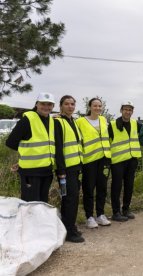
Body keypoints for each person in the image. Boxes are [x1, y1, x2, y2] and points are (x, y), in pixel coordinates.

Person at [6, 92, 56, 203]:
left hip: (47, 171)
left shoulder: (51, 120)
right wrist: (24, 157)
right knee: (30, 204)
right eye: (43, 103)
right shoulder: (27, 119)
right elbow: (10, 142)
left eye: (49, 104)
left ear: (53, 106)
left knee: (42, 203)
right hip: (30, 172)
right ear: (36, 104)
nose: (46, 107)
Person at [76, 97, 112, 228]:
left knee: (102, 187)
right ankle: (89, 216)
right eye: (95, 106)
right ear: (90, 107)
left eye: (99, 106)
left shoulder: (103, 119)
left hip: (104, 158)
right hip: (89, 160)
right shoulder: (80, 121)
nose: (97, 108)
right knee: (89, 189)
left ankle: (101, 214)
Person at [54, 95, 84, 243]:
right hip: (65, 169)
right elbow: (58, 148)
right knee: (70, 199)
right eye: (67, 104)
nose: (70, 106)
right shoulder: (58, 122)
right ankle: (69, 231)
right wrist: (61, 171)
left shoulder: (73, 121)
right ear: (61, 106)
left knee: (71, 198)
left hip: (75, 166)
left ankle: (69, 227)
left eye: (72, 104)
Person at [108, 101, 142, 221]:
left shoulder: (135, 123)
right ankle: (116, 212)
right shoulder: (112, 125)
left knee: (129, 186)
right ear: (121, 110)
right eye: (125, 109)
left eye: (130, 110)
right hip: (117, 160)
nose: (127, 112)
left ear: (132, 111)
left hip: (132, 159)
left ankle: (126, 209)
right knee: (116, 187)